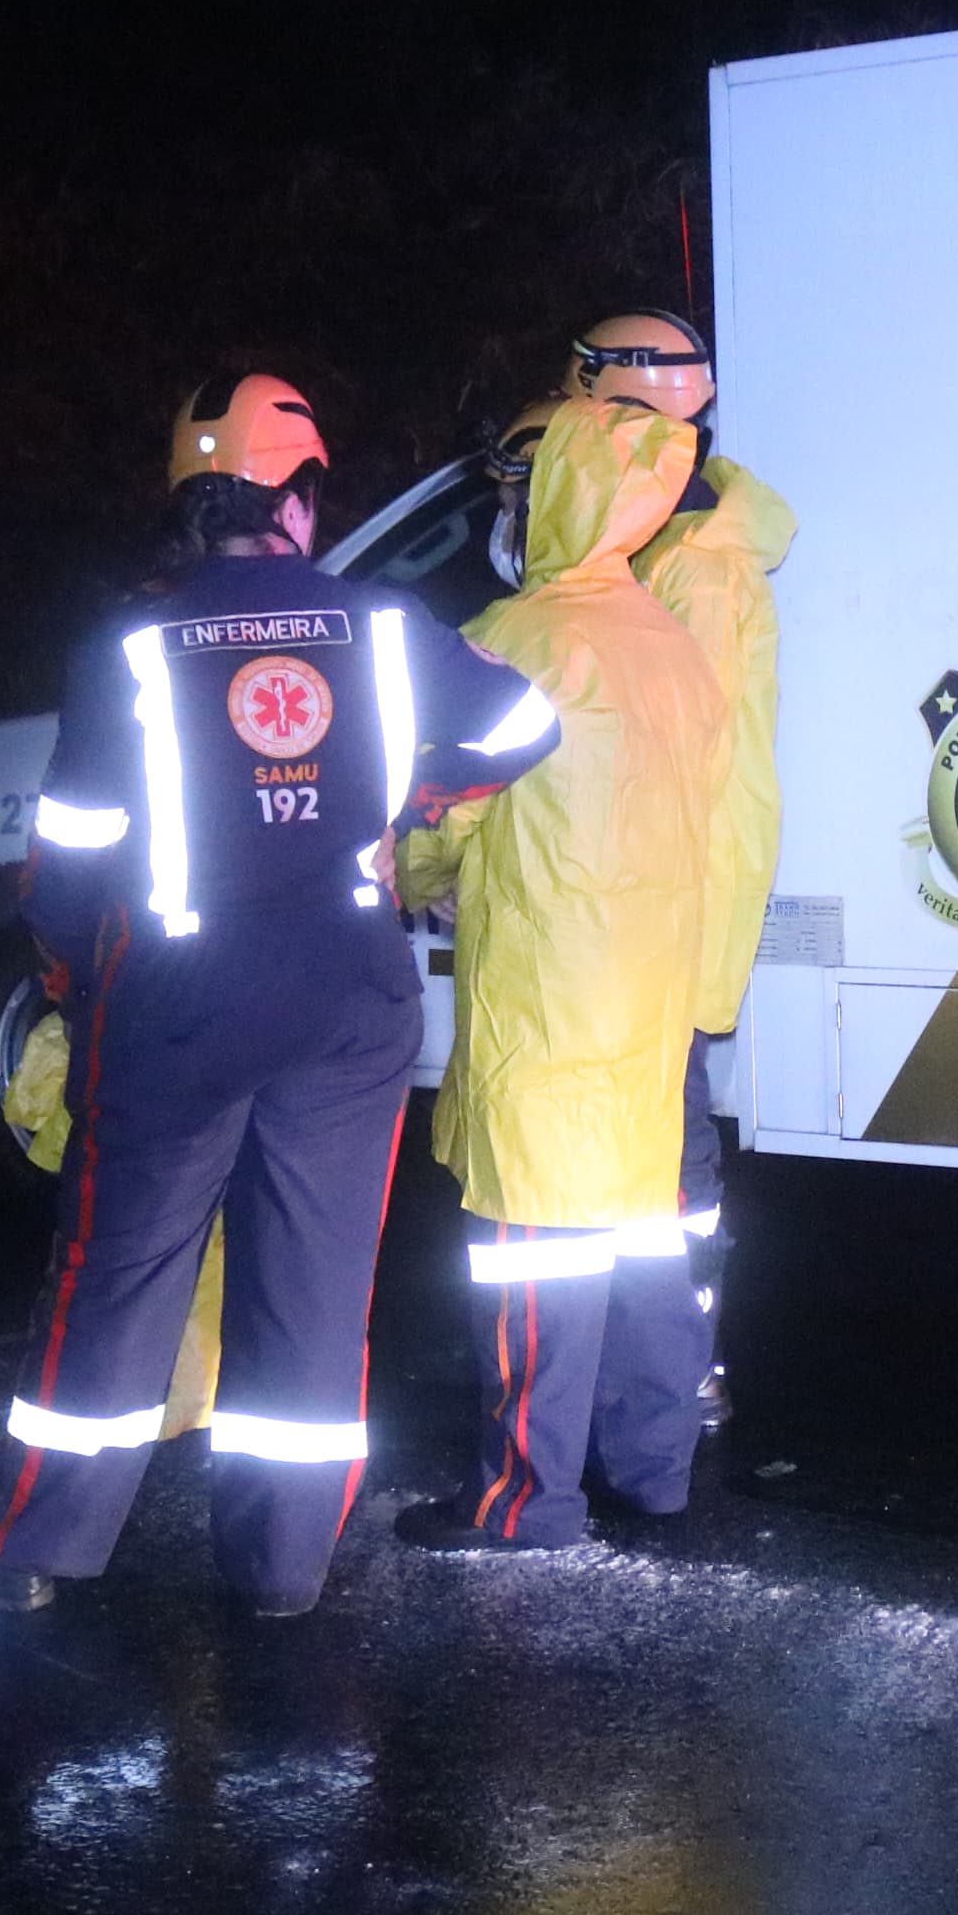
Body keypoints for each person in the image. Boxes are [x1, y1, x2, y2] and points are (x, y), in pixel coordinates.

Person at [0, 372, 468, 1617]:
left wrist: (80, 983)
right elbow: (520, 726)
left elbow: (70, 855)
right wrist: (410, 785)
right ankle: (282, 1572)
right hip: (349, 1009)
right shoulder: (380, 629)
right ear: (295, 500)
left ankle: (41, 1550)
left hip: (177, 1008)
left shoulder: (124, 643)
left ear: (188, 505)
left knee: (118, 1277)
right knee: (311, 1295)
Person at [391, 391, 728, 1551]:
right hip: (649, 1005)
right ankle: (654, 1467)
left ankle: (524, 1502)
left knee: (533, 1251)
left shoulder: (517, 640)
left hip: (545, 998)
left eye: (520, 493)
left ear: (559, 498)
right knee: (643, 1245)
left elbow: (441, 812)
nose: (510, 512)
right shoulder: (676, 646)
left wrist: (404, 865)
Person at [576, 313, 796, 1447]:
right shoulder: (678, 544)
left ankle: (681, 1375)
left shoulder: (691, 566)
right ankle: (665, 1369)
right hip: (667, 897)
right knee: (663, 1143)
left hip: (666, 903)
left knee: (668, 1154)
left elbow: (662, 753)